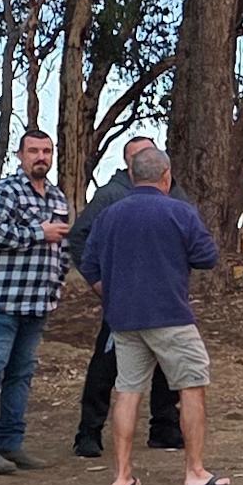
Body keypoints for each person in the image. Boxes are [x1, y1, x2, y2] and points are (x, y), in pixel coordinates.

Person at [75, 143, 224, 485]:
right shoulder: (180, 212)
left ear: (131, 174)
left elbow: (89, 262)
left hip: (123, 318)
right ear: (166, 175)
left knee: (127, 391)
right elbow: (207, 257)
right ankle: (194, 471)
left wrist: (109, 294)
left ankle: (122, 474)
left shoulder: (109, 213)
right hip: (170, 314)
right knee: (191, 385)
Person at [68, 135, 184, 461]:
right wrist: (99, 283)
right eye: (140, 156)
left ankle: (165, 429)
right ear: (128, 162)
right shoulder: (111, 195)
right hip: (123, 301)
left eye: (151, 154)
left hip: (165, 301)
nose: (147, 160)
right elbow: (79, 237)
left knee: (168, 366)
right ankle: (88, 433)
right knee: (107, 367)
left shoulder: (174, 191)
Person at [0, 129, 71, 475]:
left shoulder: (56, 197)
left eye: (47, 151)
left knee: (21, 374)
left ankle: (11, 444)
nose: (41, 157)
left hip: (37, 303)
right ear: (20, 155)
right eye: (34, 151)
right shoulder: (3, 191)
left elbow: (62, 246)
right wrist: (38, 233)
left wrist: (58, 277)